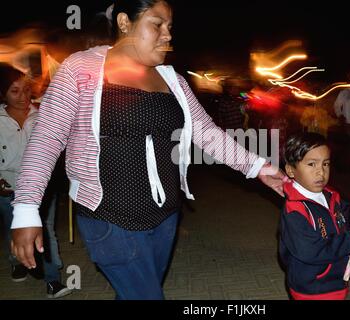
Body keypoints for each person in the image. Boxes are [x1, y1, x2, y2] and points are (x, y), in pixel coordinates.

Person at [10, 0, 286, 300]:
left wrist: (260, 168)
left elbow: (207, 135)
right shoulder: (81, 69)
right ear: (125, 22)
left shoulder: (172, 80)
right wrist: (26, 210)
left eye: (170, 27)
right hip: (110, 218)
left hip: (166, 217)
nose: (167, 35)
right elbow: (46, 138)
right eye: (157, 24)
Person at [279, 132, 350, 300]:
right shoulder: (295, 211)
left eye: (325, 164)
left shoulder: (331, 195)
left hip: (336, 279)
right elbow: (310, 250)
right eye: (312, 164)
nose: (321, 172)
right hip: (312, 287)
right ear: (291, 170)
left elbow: (345, 222)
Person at [0, 63, 72, 298]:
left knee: (46, 230)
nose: (23, 96)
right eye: (14, 91)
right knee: (14, 231)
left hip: (42, 189)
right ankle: (16, 260)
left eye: (26, 89)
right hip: (7, 189)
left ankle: (53, 280)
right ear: (2, 93)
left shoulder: (42, 115)